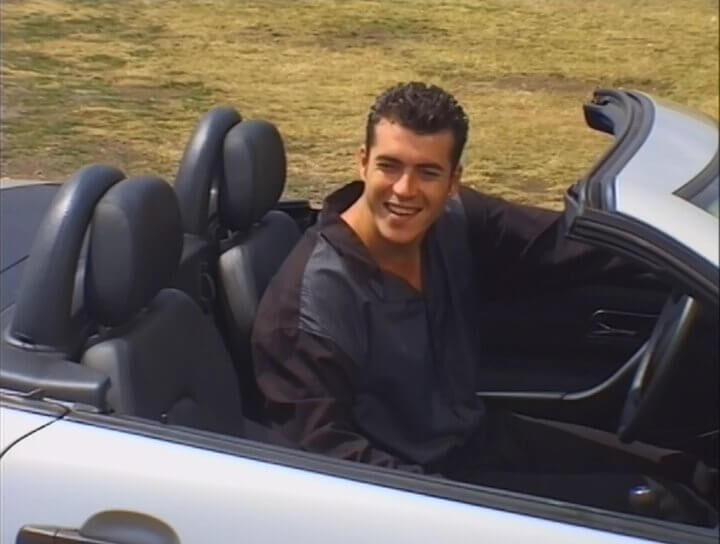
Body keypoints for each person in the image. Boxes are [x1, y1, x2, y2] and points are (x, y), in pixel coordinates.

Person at [251, 82, 710, 520]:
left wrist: (685, 252)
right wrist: (456, 509)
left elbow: (573, 245)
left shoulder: (453, 220)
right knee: (663, 511)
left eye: (428, 172)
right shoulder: (306, 305)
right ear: (363, 163)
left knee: (681, 476)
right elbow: (326, 460)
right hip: (418, 493)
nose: (405, 190)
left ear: (454, 181)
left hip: (473, 439)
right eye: (390, 166)